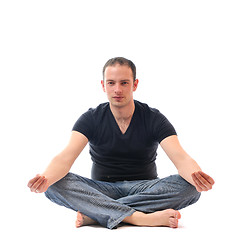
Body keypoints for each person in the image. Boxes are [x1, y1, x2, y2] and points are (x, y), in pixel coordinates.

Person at [27, 57, 215, 230]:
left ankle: (98, 214)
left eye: (124, 83)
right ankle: (138, 217)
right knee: (53, 185)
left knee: (191, 188)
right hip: (101, 189)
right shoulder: (90, 118)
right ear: (103, 85)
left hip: (145, 188)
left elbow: (181, 158)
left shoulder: (154, 118)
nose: (117, 89)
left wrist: (197, 177)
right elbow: (65, 157)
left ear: (135, 84)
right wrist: (45, 179)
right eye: (111, 83)